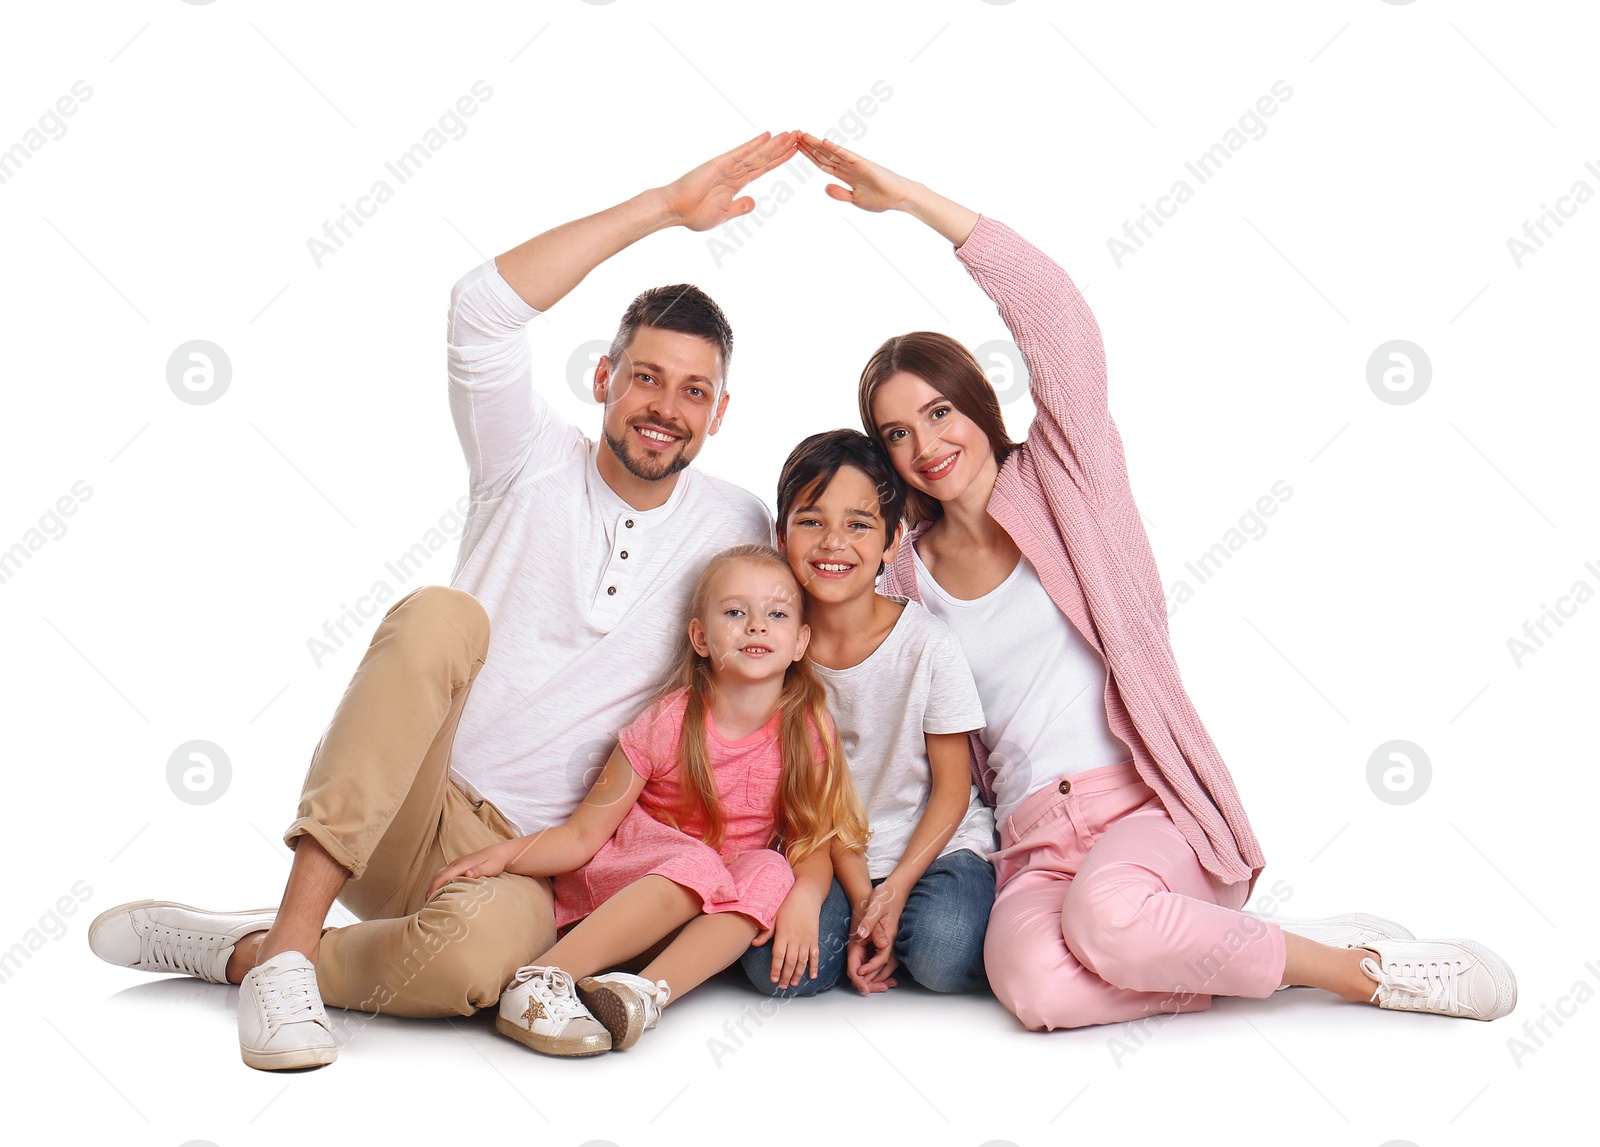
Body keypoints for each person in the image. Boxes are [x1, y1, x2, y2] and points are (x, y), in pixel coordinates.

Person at [86, 132, 799, 1070]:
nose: (666, 406)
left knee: (479, 971)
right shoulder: (526, 459)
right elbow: (481, 308)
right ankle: (295, 945)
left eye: (694, 390)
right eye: (646, 377)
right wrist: (665, 206)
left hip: (535, 858)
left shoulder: (737, 526)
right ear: (604, 378)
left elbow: (839, 582)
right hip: (400, 806)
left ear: (720, 413)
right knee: (441, 614)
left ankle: (246, 954)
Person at [797, 130, 1518, 1028]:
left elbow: (1056, 316)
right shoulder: (904, 572)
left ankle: (1357, 971)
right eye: (898, 432)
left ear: (977, 406)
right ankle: (1268, 952)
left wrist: (912, 200)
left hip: (1142, 804)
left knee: (1107, 923)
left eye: (939, 411)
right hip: (1031, 842)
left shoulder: (1068, 477)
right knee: (1032, 988)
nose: (927, 443)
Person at [427, 543, 868, 1055]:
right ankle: (543, 978)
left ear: (800, 641)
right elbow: (583, 834)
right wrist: (506, 854)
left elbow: (812, 838)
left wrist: (804, 898)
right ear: (701, 638)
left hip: (699, 920)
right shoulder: (667, 723)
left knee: (772, 869)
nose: (756, 625)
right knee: (698, 861)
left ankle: (640, 994)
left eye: (777, 613)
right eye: (734, 612)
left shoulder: (808, 728)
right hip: (625, 894)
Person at [740, 429, 995, 998]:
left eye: (858, 525)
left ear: (891, 541)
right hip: (828, 848)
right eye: (811, 521)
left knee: (942, 953)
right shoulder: (775, 649)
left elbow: (953, 793)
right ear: (781, 537)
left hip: (933, 845)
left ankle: (902, 930)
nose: (833, 543)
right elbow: (816, 802)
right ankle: (878, 932)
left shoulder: (928, 646)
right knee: (777, 975)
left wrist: (896, 888)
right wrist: (862, 900)